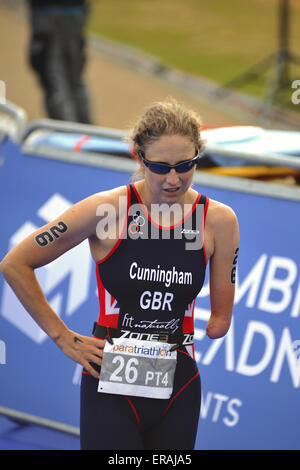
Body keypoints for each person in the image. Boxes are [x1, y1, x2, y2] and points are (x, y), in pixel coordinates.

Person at [0, 98, 239, 450]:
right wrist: (62, 336)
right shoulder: (106, 210)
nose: (173, 179)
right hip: (110, 380)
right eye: (160, 167)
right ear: (138, 157)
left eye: (185, 165)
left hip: (179, 384)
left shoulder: (219, 220)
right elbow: (15, 263)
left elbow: (219, 323)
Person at [27, 0, 92, 123]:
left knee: (54, 78)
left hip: (48, 14)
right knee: (73, 79)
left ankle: (68, 135)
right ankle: (86, 135)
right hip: (74, 12)